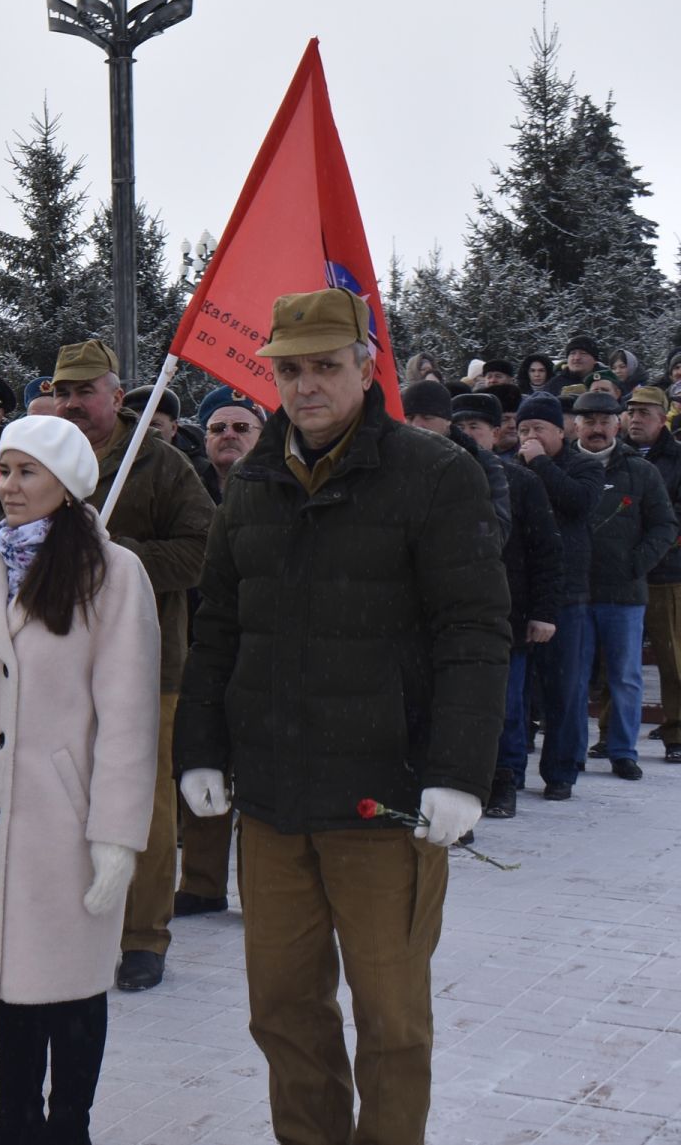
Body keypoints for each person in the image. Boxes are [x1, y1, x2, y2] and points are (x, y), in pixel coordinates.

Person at [175, 288, 508, 1145]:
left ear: (368, 367)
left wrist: (460, 771)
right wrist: (201, 748)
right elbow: (216, 627)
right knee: (284, 1011)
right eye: (290, 369)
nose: (307, 384)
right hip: (277, 803)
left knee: (392, 1022)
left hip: (383, 799)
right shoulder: (251, 482)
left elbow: (473, 629)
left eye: (327, 365)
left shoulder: (435, 475)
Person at [0, 415, 159, 1145]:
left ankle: (67, 1123)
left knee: (70, 982)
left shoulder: (112, 574)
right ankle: (16, 1117)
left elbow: (128, 716)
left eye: (27, 472)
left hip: (61, 818)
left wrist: (115, 834)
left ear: (68, 484)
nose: (9, 486)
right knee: (4, 976)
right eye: (4, 470)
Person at [53, 340, 214, 993]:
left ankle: (144, 935)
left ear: (116, 398)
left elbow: (201, 551)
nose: (72, 403)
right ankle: (76, 921)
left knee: (143, 807)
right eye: (63, 392)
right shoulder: (45, 460)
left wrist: (117, 553)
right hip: (61, 666)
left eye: (85, 391)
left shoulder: (163, 464)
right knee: (65, 800)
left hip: (146, 667)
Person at [173, 386, 266, 917]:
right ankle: (203, 883)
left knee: (254, 775)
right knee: (201, 757)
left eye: (240, 427)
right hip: (199, 644)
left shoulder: (278, 486)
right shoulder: (190, 487)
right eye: (216, 428)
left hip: (255, 646)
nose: (227, 436)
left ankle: (260, 889)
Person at [453, 393, 562, 820]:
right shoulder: (429, 476)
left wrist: (544, 611)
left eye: (476, 428)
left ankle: (506, 779)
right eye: (459, 426)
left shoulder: (519, 481)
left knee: (507, 707)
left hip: (507, 615)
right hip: (449, 616)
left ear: (497, 433)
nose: (467, 435)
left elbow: (547, 552)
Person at [568, 392, 677, 781]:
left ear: (617, 425)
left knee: (625, 676)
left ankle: (623, 751)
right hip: (574, 595)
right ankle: (570, 751)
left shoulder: (640, 471)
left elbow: (665, 525)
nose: (597, 428)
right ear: (575, 425)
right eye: (589, 421)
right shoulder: (561, 467)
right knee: (574, 676)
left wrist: (637, 564)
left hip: (625, 594)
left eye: (604, 421)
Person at [515, 391, 606, 800]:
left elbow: (578, 502)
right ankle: (510, 769)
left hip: (569, 594)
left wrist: (538, 462)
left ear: (560, 430)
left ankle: (561, 771)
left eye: (538, 429)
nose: (530, 436)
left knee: (565, 689)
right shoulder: (507, 467)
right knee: (515, 693)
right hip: (521, 593)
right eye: (523, 429)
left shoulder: (583, 465)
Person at [622, 386, 681, 763]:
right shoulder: (616, 456)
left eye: (645, 412)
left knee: (674, 658)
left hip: (668, 570)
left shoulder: (677, 458)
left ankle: (677, 730)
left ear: (663, 419)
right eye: (631, 411)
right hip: (621, 572)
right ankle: (614, 733)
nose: (636, 418)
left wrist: (650, 544)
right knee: (618, 658)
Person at [402, 379, 511, 541]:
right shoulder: (394, 460)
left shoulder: (480, 461)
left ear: (447, 421)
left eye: (427, 417)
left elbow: (496, 531)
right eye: (410, 417)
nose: (417, 425)